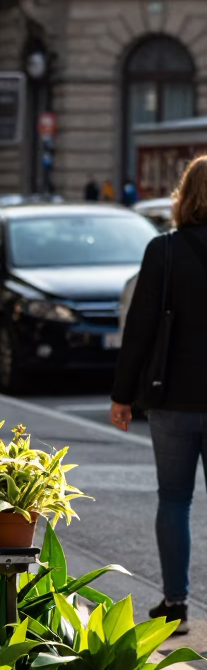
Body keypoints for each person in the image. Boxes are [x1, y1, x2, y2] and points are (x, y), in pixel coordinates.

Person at [111, 154, 207, 636]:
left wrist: (122, 395)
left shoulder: (163, 251)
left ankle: (176, 603)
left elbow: (140, 330)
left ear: (183, 197)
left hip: (171, 396)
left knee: (174, 499)